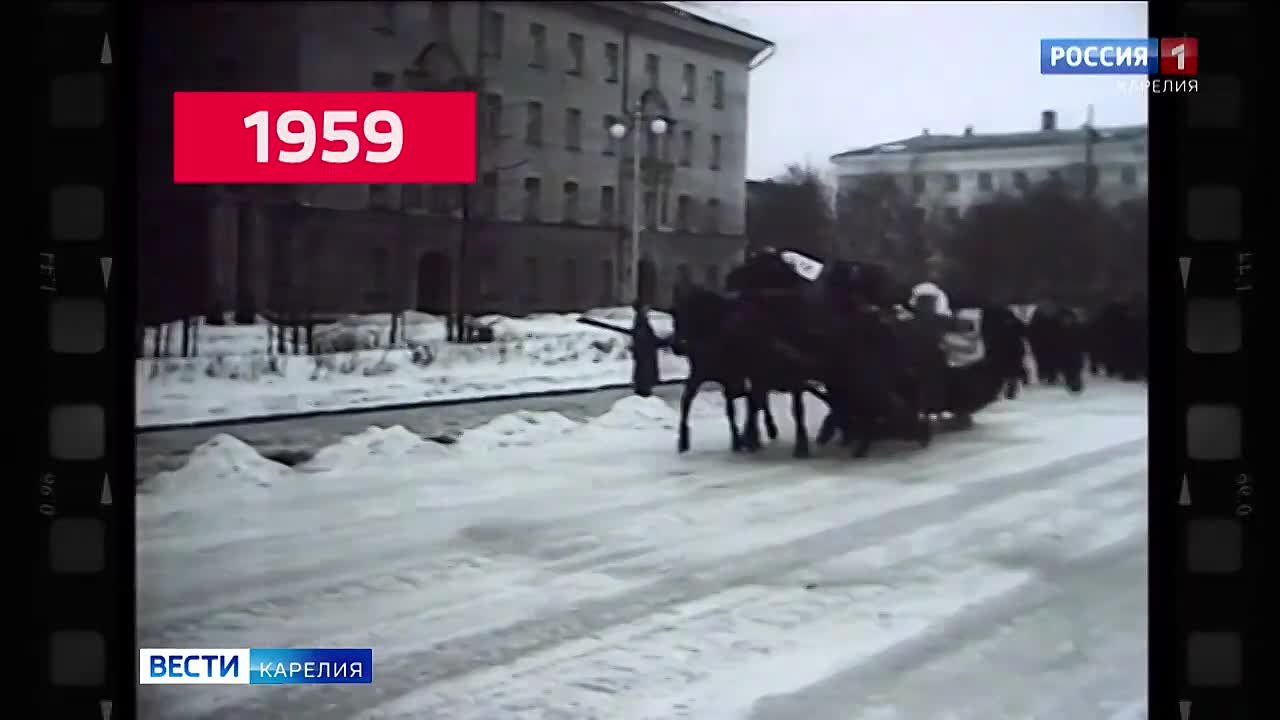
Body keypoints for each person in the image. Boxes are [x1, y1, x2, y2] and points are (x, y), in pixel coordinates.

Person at [630, 299, 662, 397]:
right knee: (644, 373)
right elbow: (644, 338)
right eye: (645, 306)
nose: (648, 308)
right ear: (641, 309)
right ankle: (643, 391)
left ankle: (643, 389)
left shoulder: (641, 320)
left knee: (643, 372)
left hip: (644, 353)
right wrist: (656, 342)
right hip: (644, 353)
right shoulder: (641, 321)